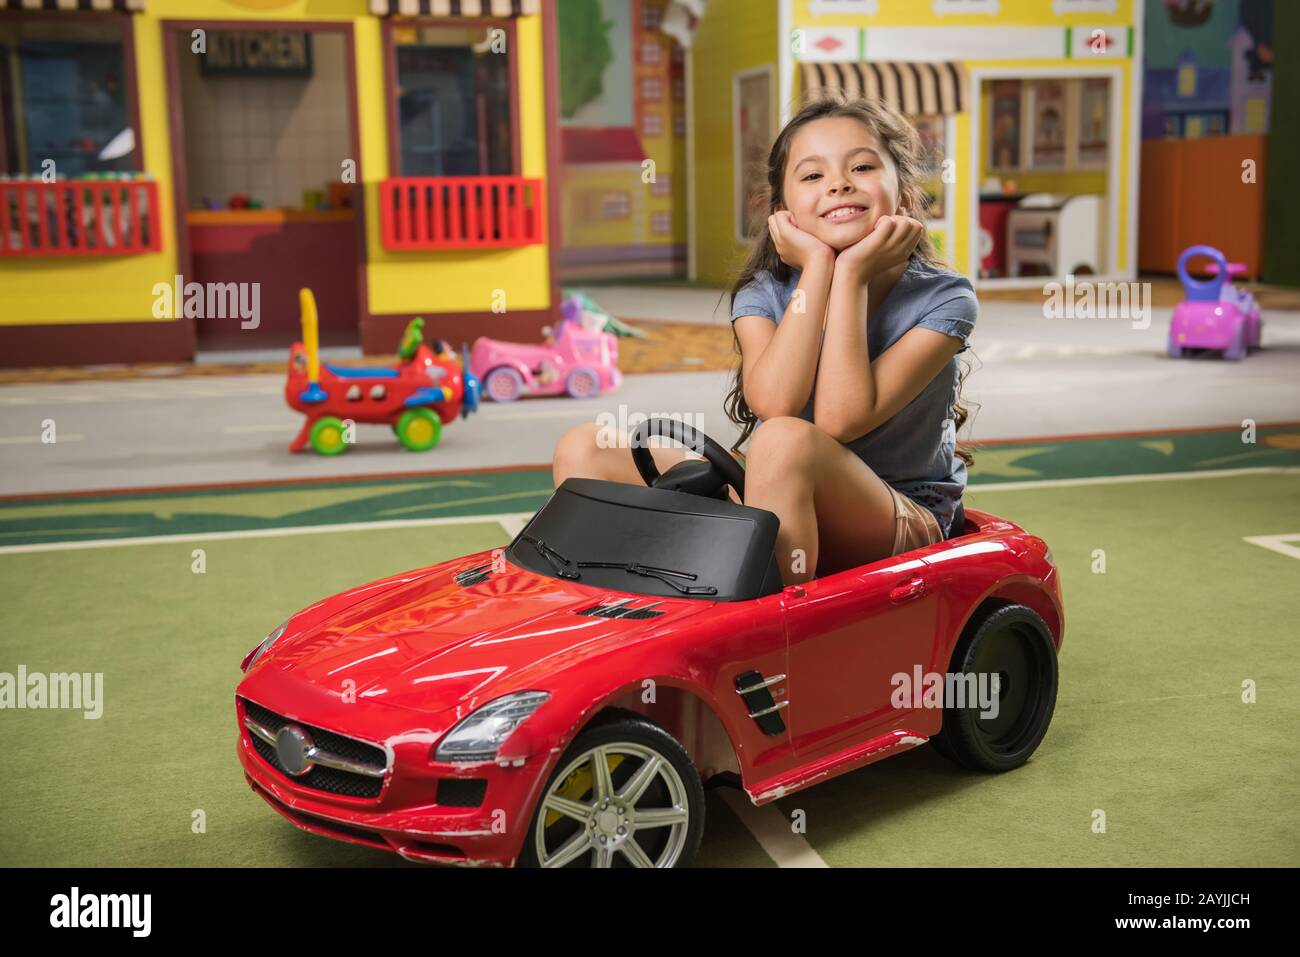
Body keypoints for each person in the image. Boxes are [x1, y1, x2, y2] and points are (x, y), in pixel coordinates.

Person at [553, 92, 977, 585]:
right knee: (586, 445)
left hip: (898, 516)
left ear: (903, 194)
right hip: (783, 493)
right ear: (785, 214)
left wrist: (853, 276)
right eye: (813, 175)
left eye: (861, 167)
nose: (838, 184)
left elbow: (841, 418)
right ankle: (620, 607)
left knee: (782, 441)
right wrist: (819, 267)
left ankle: (777, 633)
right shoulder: (763, 295)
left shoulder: (945, 298)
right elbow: (776, 400)